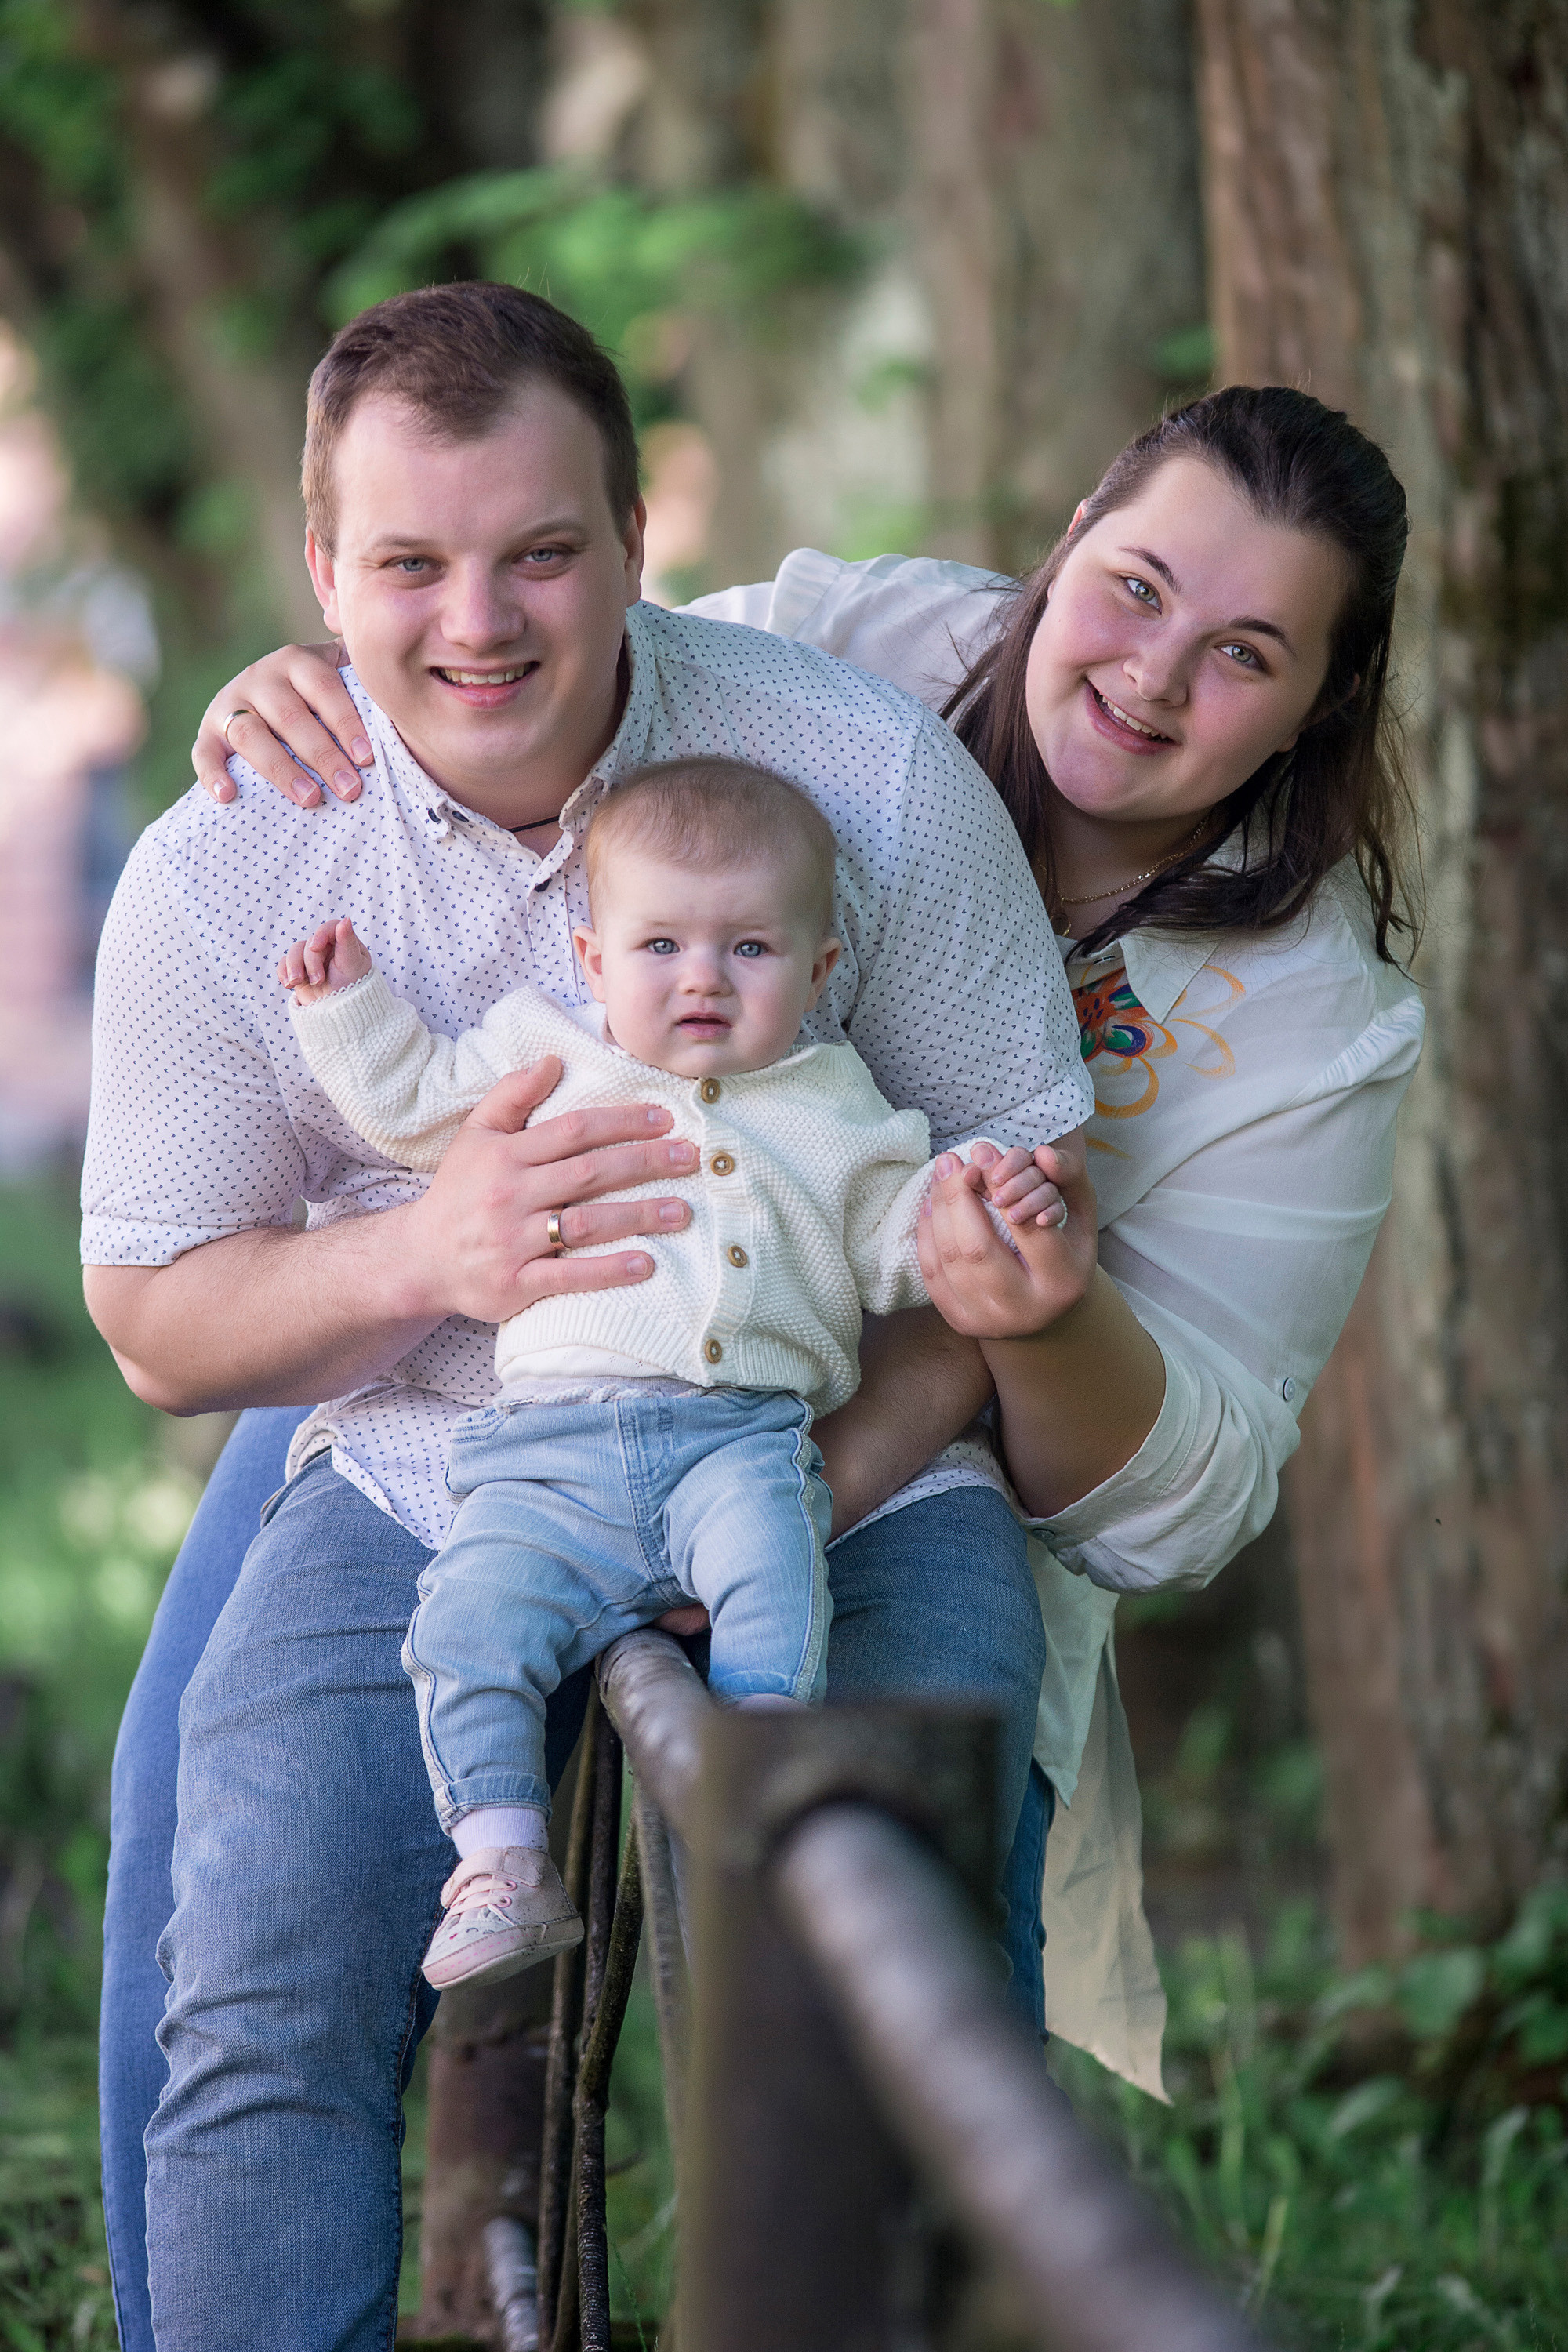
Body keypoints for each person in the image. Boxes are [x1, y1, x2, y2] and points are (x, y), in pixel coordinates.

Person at [200, 376, 1426, 2104]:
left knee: (878, 1946)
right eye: (1135, 587)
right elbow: (519, 694)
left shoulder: (1313, 1021)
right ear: (1066, 539)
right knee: (236, 1825)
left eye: (1246, 653)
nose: (1153, 671)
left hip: (894, 1463)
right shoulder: (845, 645)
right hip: (492, 1344)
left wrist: (1017, 1332)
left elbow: (1190, 1506)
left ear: (1316, 706)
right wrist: (330, 692)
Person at [87, 281, 1094, 2352]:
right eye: (408, 566)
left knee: (893, 1972)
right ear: (320, 571)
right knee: (259, 1983)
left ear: (640, 538)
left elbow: (1004, 1224)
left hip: (835, 1463)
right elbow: (158, 1330)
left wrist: (817, 1479)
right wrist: (423, 1261)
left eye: (542, 549)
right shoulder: (232, 865)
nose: (480, 623)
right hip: (428, 1460)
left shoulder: (861, 784)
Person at [278, 757, 1069, 1989]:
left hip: (740, 1442)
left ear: (820, 973)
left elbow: (901, 1242)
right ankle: (497, 1859)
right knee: (467, 1624)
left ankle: (759, 1779)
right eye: (660, 946)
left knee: (776, 1566)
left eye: (750, 949)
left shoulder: (837, 1106)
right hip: (544, 1455)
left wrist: (977, 1206)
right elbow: (417, 1103)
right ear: (594, 963)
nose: (702, 977)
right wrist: (349, 1009)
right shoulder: (544, 1055)